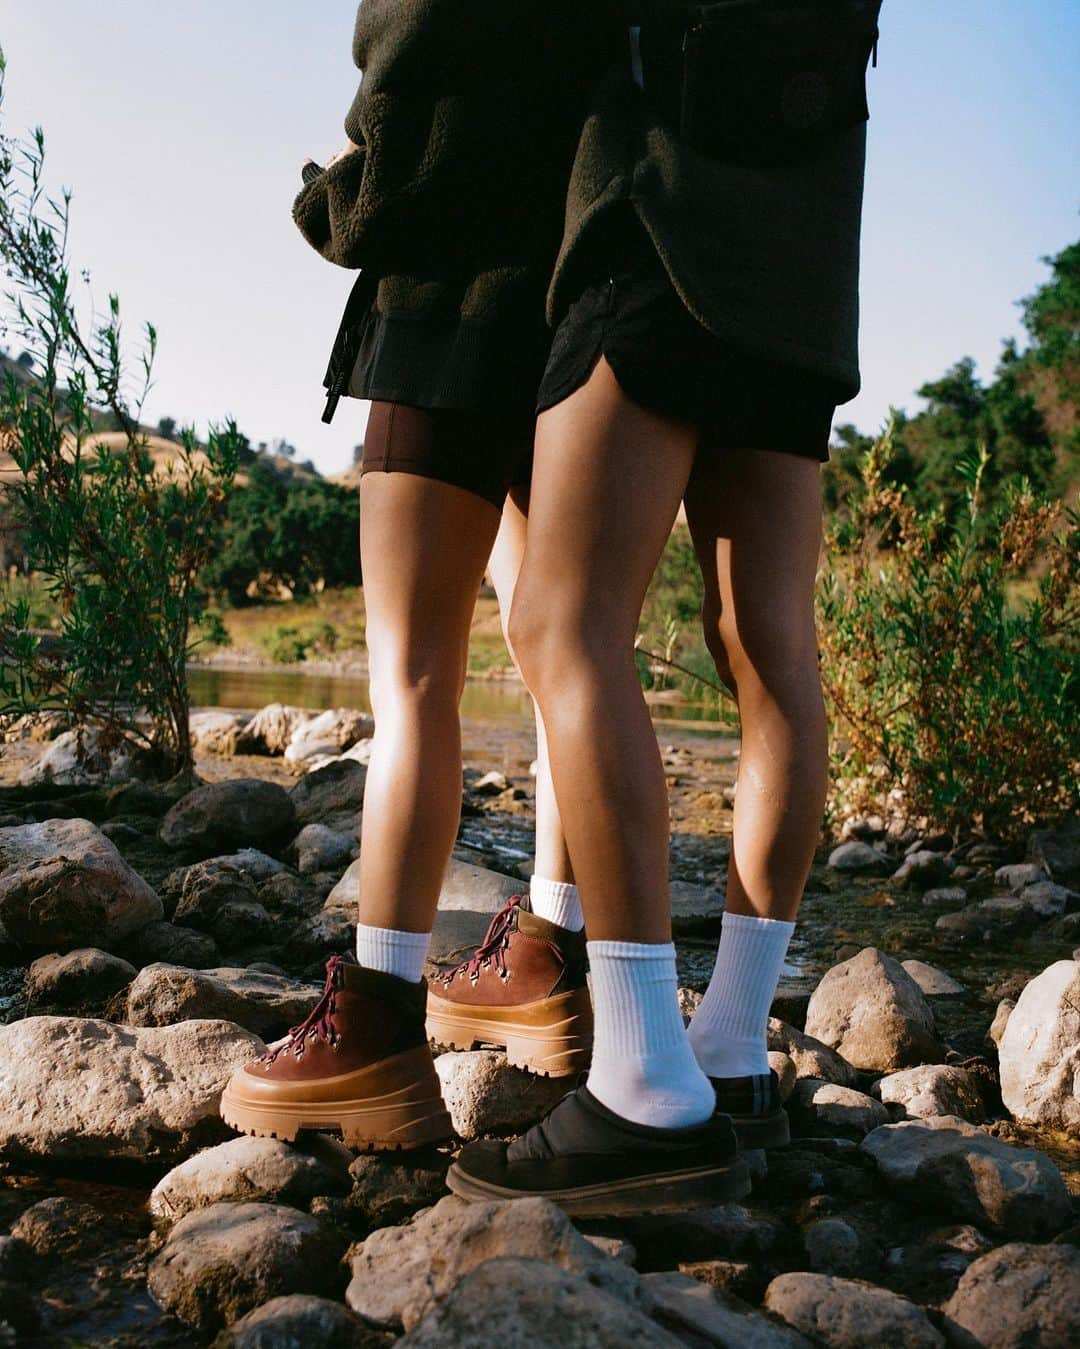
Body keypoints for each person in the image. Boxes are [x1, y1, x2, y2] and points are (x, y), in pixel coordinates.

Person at [446, 0, 884, 1210]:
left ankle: (643, 1081)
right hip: (803, 264)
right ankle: (735, 1048)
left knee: (560, 617)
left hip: (660, 211)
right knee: (768, 646)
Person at [220, 0, 625, 1152]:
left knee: (412, 680)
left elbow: (406, 61)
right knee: (564, 662)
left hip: (449, 293)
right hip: (584, 299)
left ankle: (379, 1024)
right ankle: (547, 954)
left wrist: (341, 182)